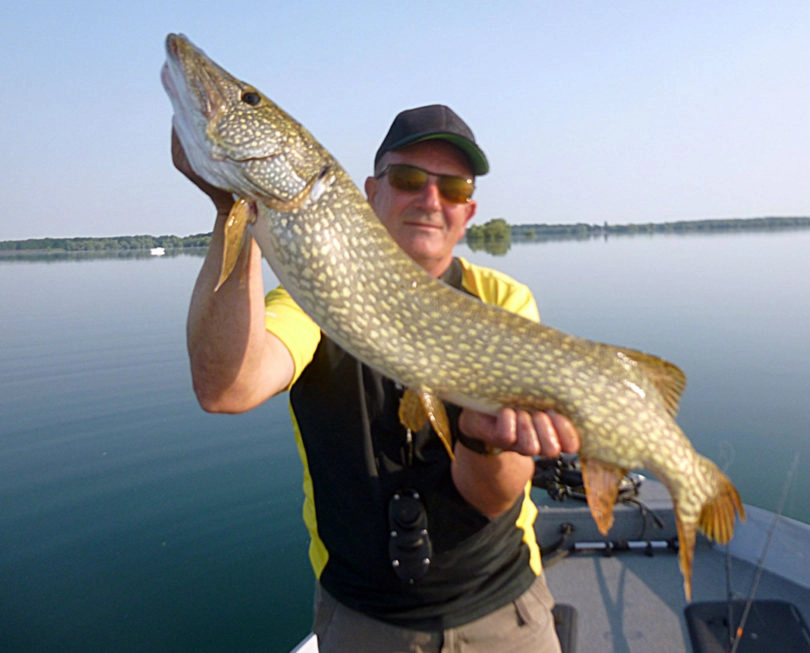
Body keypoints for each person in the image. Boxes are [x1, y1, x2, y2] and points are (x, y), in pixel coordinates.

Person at [175, 104, 580, 652]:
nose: (431, 199)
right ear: (371, 191)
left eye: (454, 188)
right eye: (410, 178)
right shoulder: (309, 295)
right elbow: (226, 387)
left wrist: (487, 440)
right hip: (363, 623)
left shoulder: (502, 303)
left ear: (469, 210)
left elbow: (490, 498)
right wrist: (233, 208)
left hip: (503, 612)